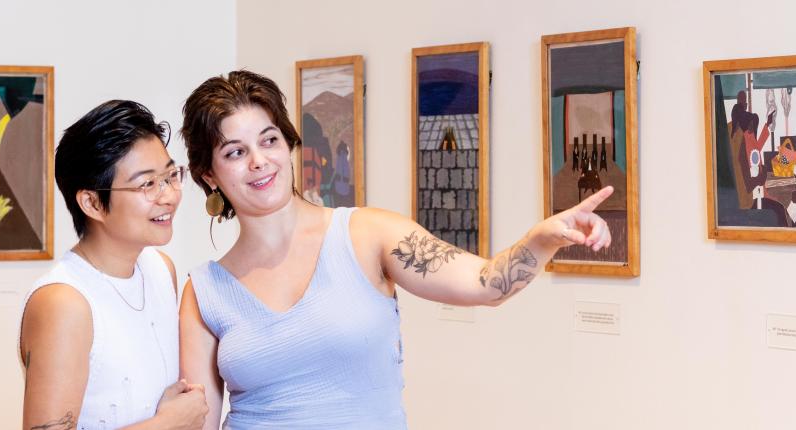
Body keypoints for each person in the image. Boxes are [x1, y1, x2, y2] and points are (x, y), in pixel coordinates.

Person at [178, 70, 614, 429]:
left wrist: (542, 239)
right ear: (209, 175)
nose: (259, 161)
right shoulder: (205, 292)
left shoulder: (368, 234)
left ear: (288, 144)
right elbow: (198, 423)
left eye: (269, 140)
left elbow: (487, 283)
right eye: (235, 152)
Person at [19, 100, 207, 430]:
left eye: (170, 176)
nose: (168, 196)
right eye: (147, 184)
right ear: (92, 203)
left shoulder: (160, 269)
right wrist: (168, 424)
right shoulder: (63, 302)